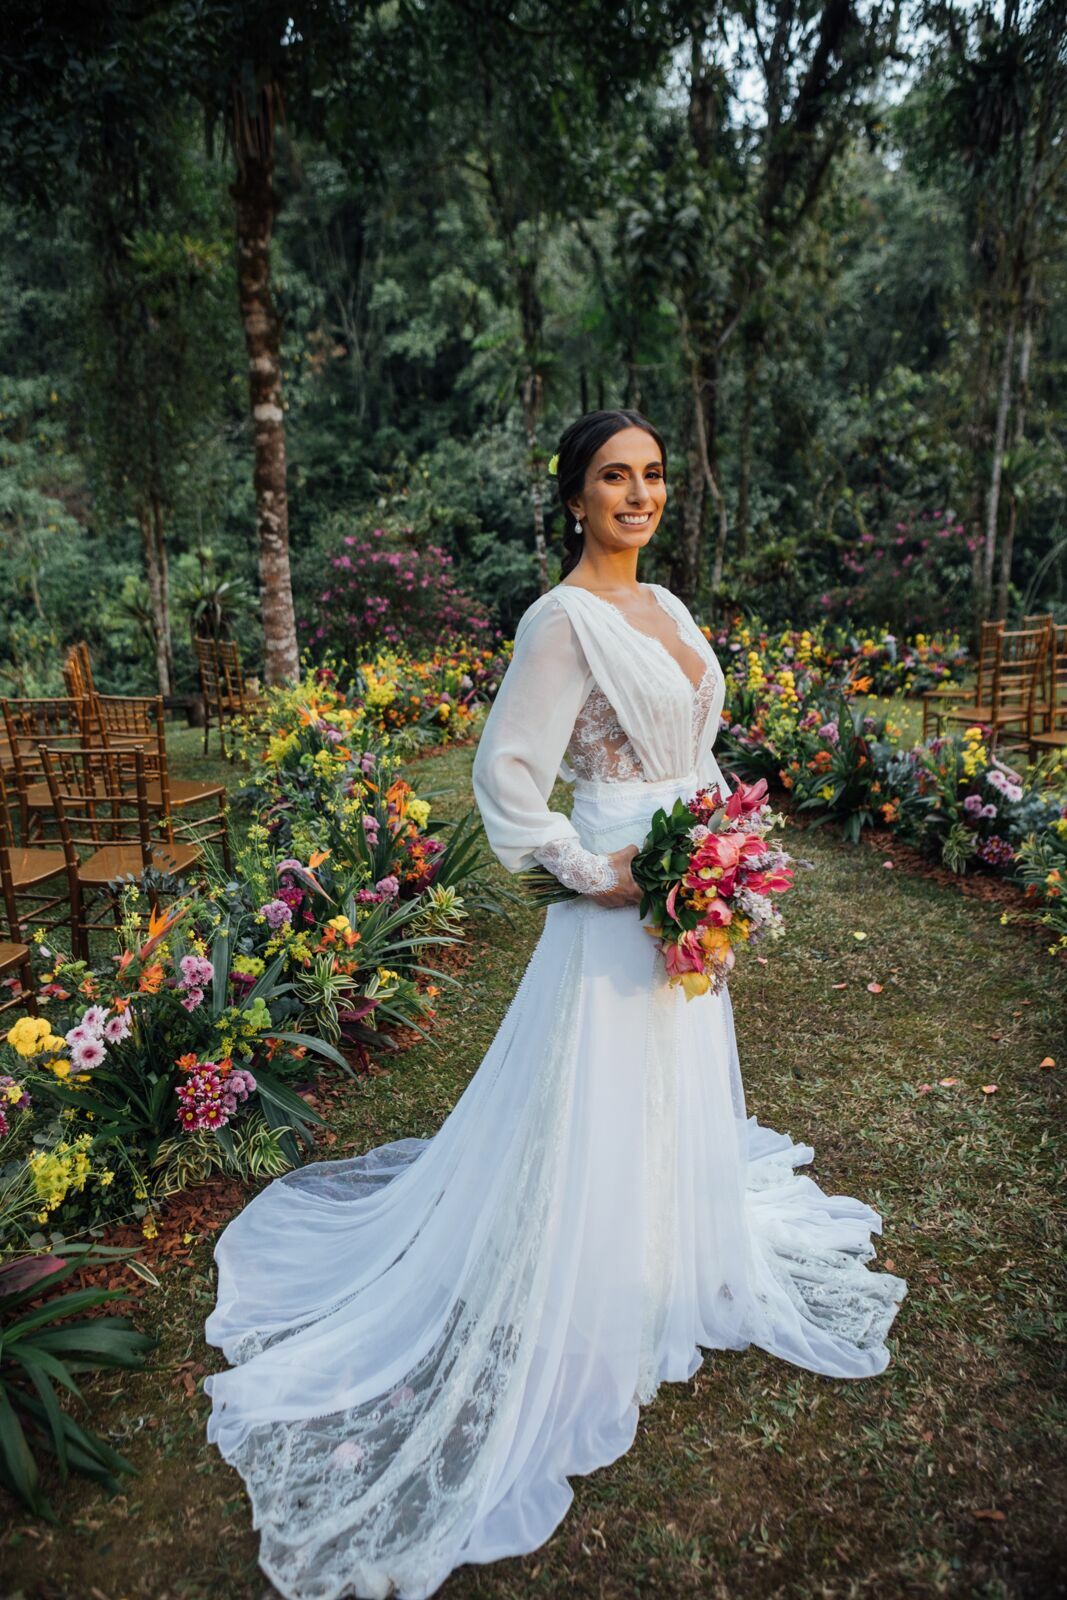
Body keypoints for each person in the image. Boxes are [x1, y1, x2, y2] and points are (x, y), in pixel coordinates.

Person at [203, 409, 907, 1600]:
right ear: (573, 496)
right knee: (603, 1082)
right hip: (620, 893)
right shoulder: (560, 620)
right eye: (611, 478)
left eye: (652, 475)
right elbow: (506, 778)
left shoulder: (666, 605)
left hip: (690, 884)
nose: (637, 495)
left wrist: (724, 851)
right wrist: (595, 870)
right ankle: (594, 1274)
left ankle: (667, 1250)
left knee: (674, 1073)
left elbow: (694, 748)